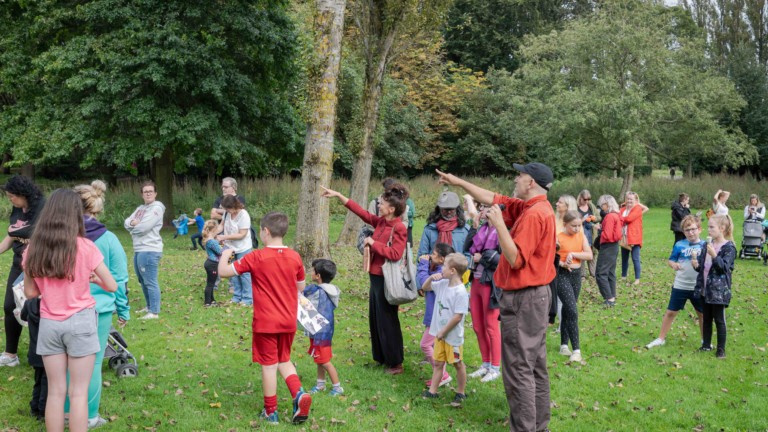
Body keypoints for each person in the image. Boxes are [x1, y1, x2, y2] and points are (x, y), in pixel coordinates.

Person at [436, 162, 556, 432]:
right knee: (534, 365)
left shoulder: (535, 214)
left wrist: (499, 224)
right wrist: (457, 180)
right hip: (533, 298)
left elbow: (514, 258)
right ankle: (539, 426)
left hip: (524, 299)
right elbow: (492, 197)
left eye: (520, 175)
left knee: (518, 370)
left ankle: (525, 428)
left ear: (531, 183)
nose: (516, 178)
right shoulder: (530, 207)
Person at [23, 189, 118, 432]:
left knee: (55, 391)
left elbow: (31, 293)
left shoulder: (34, 248)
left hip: (49, 324)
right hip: (81, 322)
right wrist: (94, 280)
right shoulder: (85, 246)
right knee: (78, 393)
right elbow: (112, 285)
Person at [218, 212, 312, 425]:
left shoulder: (255, 256)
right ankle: (299, 394)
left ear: (266, 232)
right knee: (284, 359)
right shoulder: (295, 257)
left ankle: (271, 412)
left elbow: (223, 272)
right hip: (288, 321)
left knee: (269, 365)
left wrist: (225, 254)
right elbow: (301, 287)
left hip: (266, 322)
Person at [321, 182, 410, 375]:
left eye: (382, 203)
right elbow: (361, 212)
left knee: (388, 320)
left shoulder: (399, 227)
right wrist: (338, 195)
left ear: (392, 209)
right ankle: (381, 357)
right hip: (375, 277)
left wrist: (373, 242)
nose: (379, 205)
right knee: (376, 319)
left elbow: (395, 253)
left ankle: (396, 363)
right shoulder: (381, 222)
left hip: (387, 279)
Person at [71, 180, 130, 428]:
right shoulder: (109, 239)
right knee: (93, 363)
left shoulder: (60, 236)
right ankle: (90, 415)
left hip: (65, 308)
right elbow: (119, 279)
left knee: (66, 362)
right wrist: (123, 310)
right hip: (100, 308)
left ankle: (65, 412)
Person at [0, 175, 45, 367]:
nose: (10, 199)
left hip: (37, 266)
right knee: (10, 307)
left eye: (12, 196)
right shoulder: (18, 208)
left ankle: (42, 353)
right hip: (18, 263)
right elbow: (11, 235)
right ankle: (10, 354)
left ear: (23, 194)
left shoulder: (43, 208)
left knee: (36, 309)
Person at [646, 215, 705, 349]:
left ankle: (705, 341)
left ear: (700, 229)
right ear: (683, 232)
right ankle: (661, 339)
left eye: (693, 229)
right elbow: (671, 259)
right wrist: (673, 265)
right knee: (670, 312)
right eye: (687, 230)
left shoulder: (705, 245)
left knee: (702, 314)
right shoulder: (679, 245)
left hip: (698, 286)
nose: (690, 232)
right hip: (681, 285)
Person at [420, 253, 470, 406]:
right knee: (438, 363)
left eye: (445, 267)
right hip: (439, 335)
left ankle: (461, 392)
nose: (442, 269)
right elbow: (425, 287)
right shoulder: (442, 284)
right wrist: (430, 278)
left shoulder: (460, 292)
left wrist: (443, 332)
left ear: (453, 271)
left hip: (452, 337)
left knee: (457, 363)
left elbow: (457, 317)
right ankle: (432, 391)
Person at [463, 200, 502, 383]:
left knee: (491, 326)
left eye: (487, 207)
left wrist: (482, 258)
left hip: (491, 284)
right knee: (478, 327)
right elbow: (466, 249)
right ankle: (485, 363)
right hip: (476, 281)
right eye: (482, 207)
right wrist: (474, 226)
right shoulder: (482, 228)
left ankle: (495, 367)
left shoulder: (503, 231)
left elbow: (504, 260)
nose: (483, 210)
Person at [692, 214, 735, 359]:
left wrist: (715, 255)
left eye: (712, 227)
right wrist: (696, 265)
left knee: (719, 320)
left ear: (722, 228)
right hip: (705, 289)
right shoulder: (706, 244)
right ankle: (706, 345)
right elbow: (703, 268)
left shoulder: (729, 248)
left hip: (719, 291)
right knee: (706, 318)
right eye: (708, 227)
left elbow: (723, 268)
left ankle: (721, 350)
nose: (708, 230)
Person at [124, 181, 165, 320]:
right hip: (139, 248)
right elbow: (126, 221)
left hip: (150, 249)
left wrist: (133, 228)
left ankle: (154, 312)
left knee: (150, 281)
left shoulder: (157, 208)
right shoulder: (140, 208)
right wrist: (132, 224)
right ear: (142, 194)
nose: (148, 193)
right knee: (142, 280)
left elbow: (144, 227)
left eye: (150, 191)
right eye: (145, 191)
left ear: (155, 193)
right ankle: (149, 306)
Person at [416, 242, 455, 388]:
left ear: (442, 259)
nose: (430, 255)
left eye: (433, 254)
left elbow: (422, 282)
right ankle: (439, 375)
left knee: (425, 345)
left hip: (436, 317)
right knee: (435, 347)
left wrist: (423, 264)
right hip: (435, 315)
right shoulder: (440, 271)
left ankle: (443, 375)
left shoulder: (440, 275)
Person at [556, 211, 593, 362]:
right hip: (562, 274)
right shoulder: (558, 237)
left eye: (579, 225)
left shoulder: (581, 236)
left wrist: (573, 254)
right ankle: (576, 350)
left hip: (576, 275)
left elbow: (589, 255)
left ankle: (563, 345)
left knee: (567, 309)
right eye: (574, 226)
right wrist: (563, 263)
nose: (577, 229)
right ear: (565, 224)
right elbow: (551, 257)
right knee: (572, 309)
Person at [304, 259, 343, 397]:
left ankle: (337, 387)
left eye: (312, 270)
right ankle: (320, 384)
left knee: (325, 362)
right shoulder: (331, 291)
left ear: (318, 275)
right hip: (324, 332)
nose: (310, 272)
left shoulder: (316, 291)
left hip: (320, 332)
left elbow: (302, 294)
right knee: (319, 359)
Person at [215, 195, 253, 306]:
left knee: (245, 273)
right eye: (225, 209)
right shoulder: (227, 213)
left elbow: (242, 234)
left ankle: (247, 298)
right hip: (230, 248)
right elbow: (221, 226)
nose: (226, 211)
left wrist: (224, 237)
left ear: (234, 206)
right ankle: (237, 296)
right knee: (233, 272)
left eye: (227, 209)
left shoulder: (244, 215)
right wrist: (214, 233)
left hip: (243, 248)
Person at [418, 191, 470, 260]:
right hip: (433, 269)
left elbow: (469, 254)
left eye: (451, 209)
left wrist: (460, 266)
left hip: (457, 269)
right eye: (445, 209)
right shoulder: (429, 229)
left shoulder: (465, 230)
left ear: (457, 209)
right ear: (439, 209)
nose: (448, 212)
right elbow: (422, 254)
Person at [20, 297, 47, 422]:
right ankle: (42, 410)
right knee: (47, 383)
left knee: (38, 381)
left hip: (34, 352)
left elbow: (23, 316)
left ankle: (34, 407)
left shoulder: (29, 302)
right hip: (47, 351)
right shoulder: (50, 304)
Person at [595, 195, 622, 307]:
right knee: (610, 272)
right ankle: (612, 295)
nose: (601, 207)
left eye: (602, 205)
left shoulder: (610, 216)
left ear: (607, 204)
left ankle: (609, 298)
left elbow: (608, 235)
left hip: (608, 246)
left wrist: (599, 229)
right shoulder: (617, 215)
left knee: (601, 273)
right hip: (614, 246)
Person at [620, 191, 649, 285]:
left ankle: (637, 279)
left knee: (635, 258)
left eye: (631, 199)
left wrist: (621, 219)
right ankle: (623, 276)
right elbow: (618, 217)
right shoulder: (623, 209)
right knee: (624, 258)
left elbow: (628, 219)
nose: (629, 201)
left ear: (636, 200)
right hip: (624, 237)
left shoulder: (637, 209)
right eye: (627, 199)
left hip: (634, 238)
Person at [577, 190, 600, 278]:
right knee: (581, 250)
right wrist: (583, 220)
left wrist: (594, 218)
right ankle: (582, 274)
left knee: (593, 251)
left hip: (591, 232)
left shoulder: (591, 206)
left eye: (588, 199)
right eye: (585, 199)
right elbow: (571, 220)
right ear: (580, 198)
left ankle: (593, 273)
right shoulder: (575, 207)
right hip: (580, 232)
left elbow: (599, 217)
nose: (587, 201)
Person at [201, 220, 222, 307]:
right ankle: (207, 302)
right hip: (212, 264)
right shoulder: (212, 241)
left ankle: (212, 300)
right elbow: (220, 252)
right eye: (217, 229)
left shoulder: (209, 239)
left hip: (210, 263)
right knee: (210, 284)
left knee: (211, 283)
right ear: (213, 229)